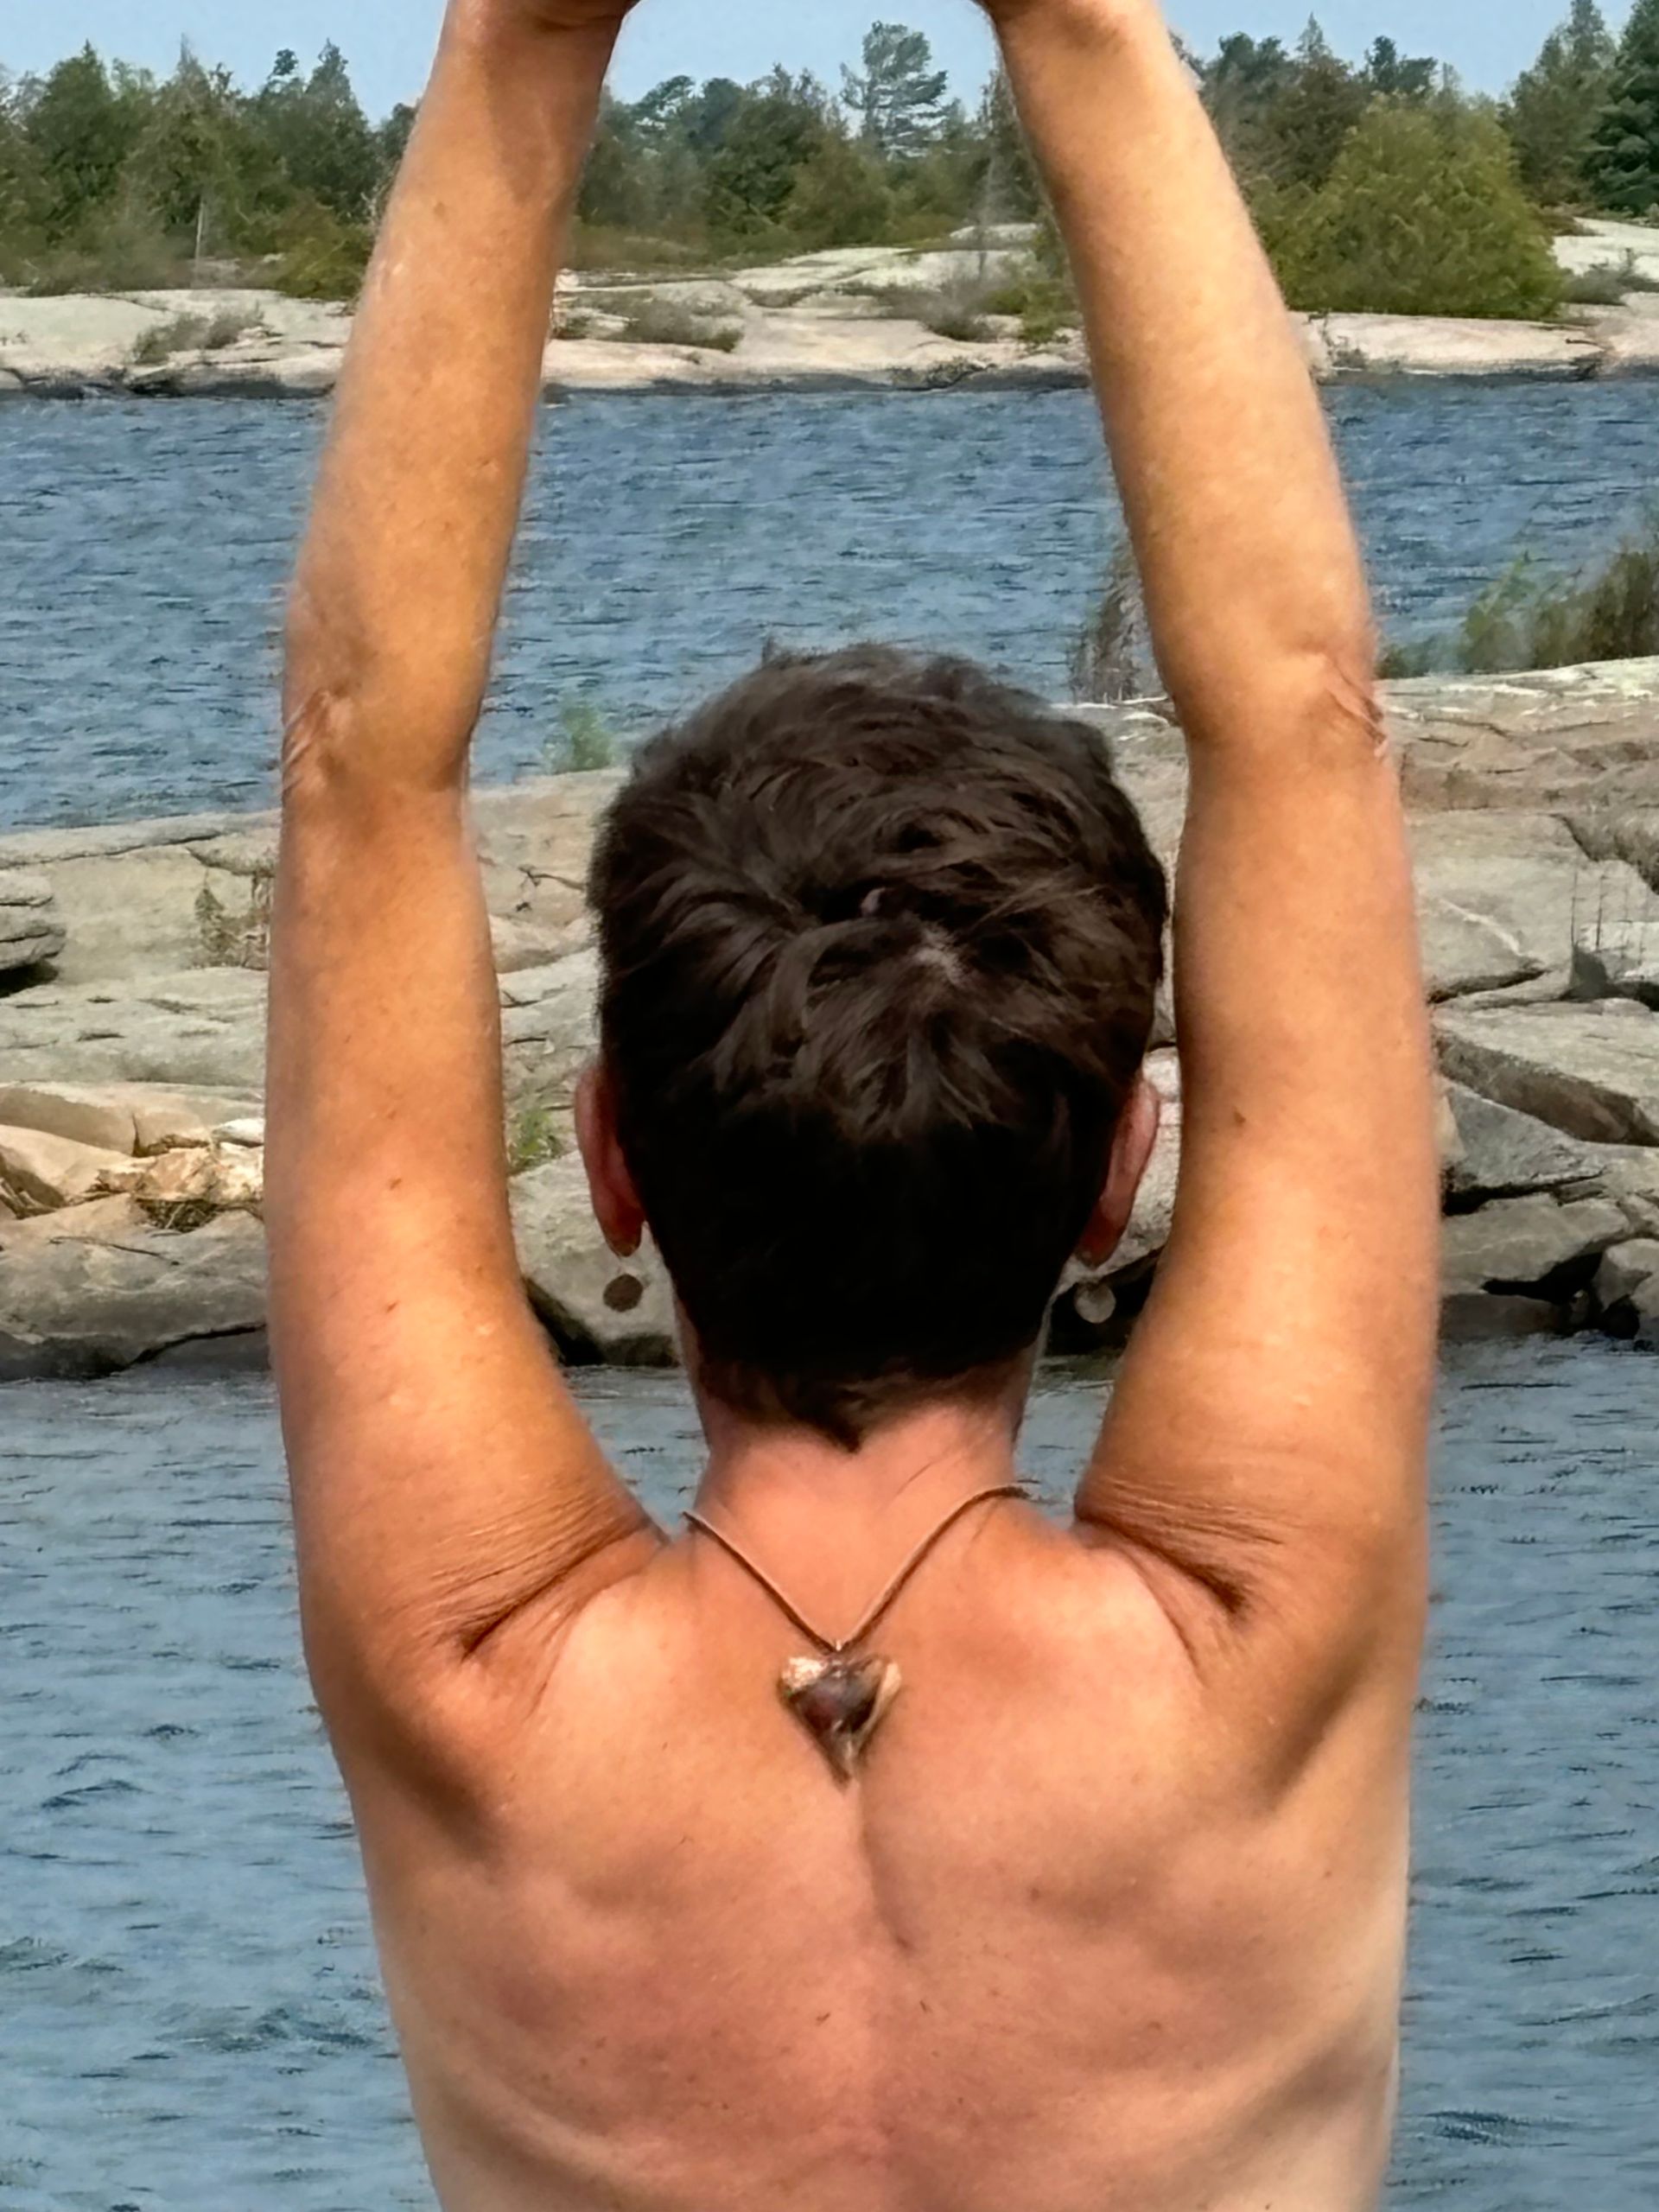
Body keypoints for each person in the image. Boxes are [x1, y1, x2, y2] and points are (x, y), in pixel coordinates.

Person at [267, 0, 1440, 2203]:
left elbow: (358, 760)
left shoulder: (479, 1685)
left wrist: (525, 37)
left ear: (608, 1160)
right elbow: (1301, 715)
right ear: (1120, 1169)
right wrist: (1078, 21)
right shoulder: (1247, 1658)